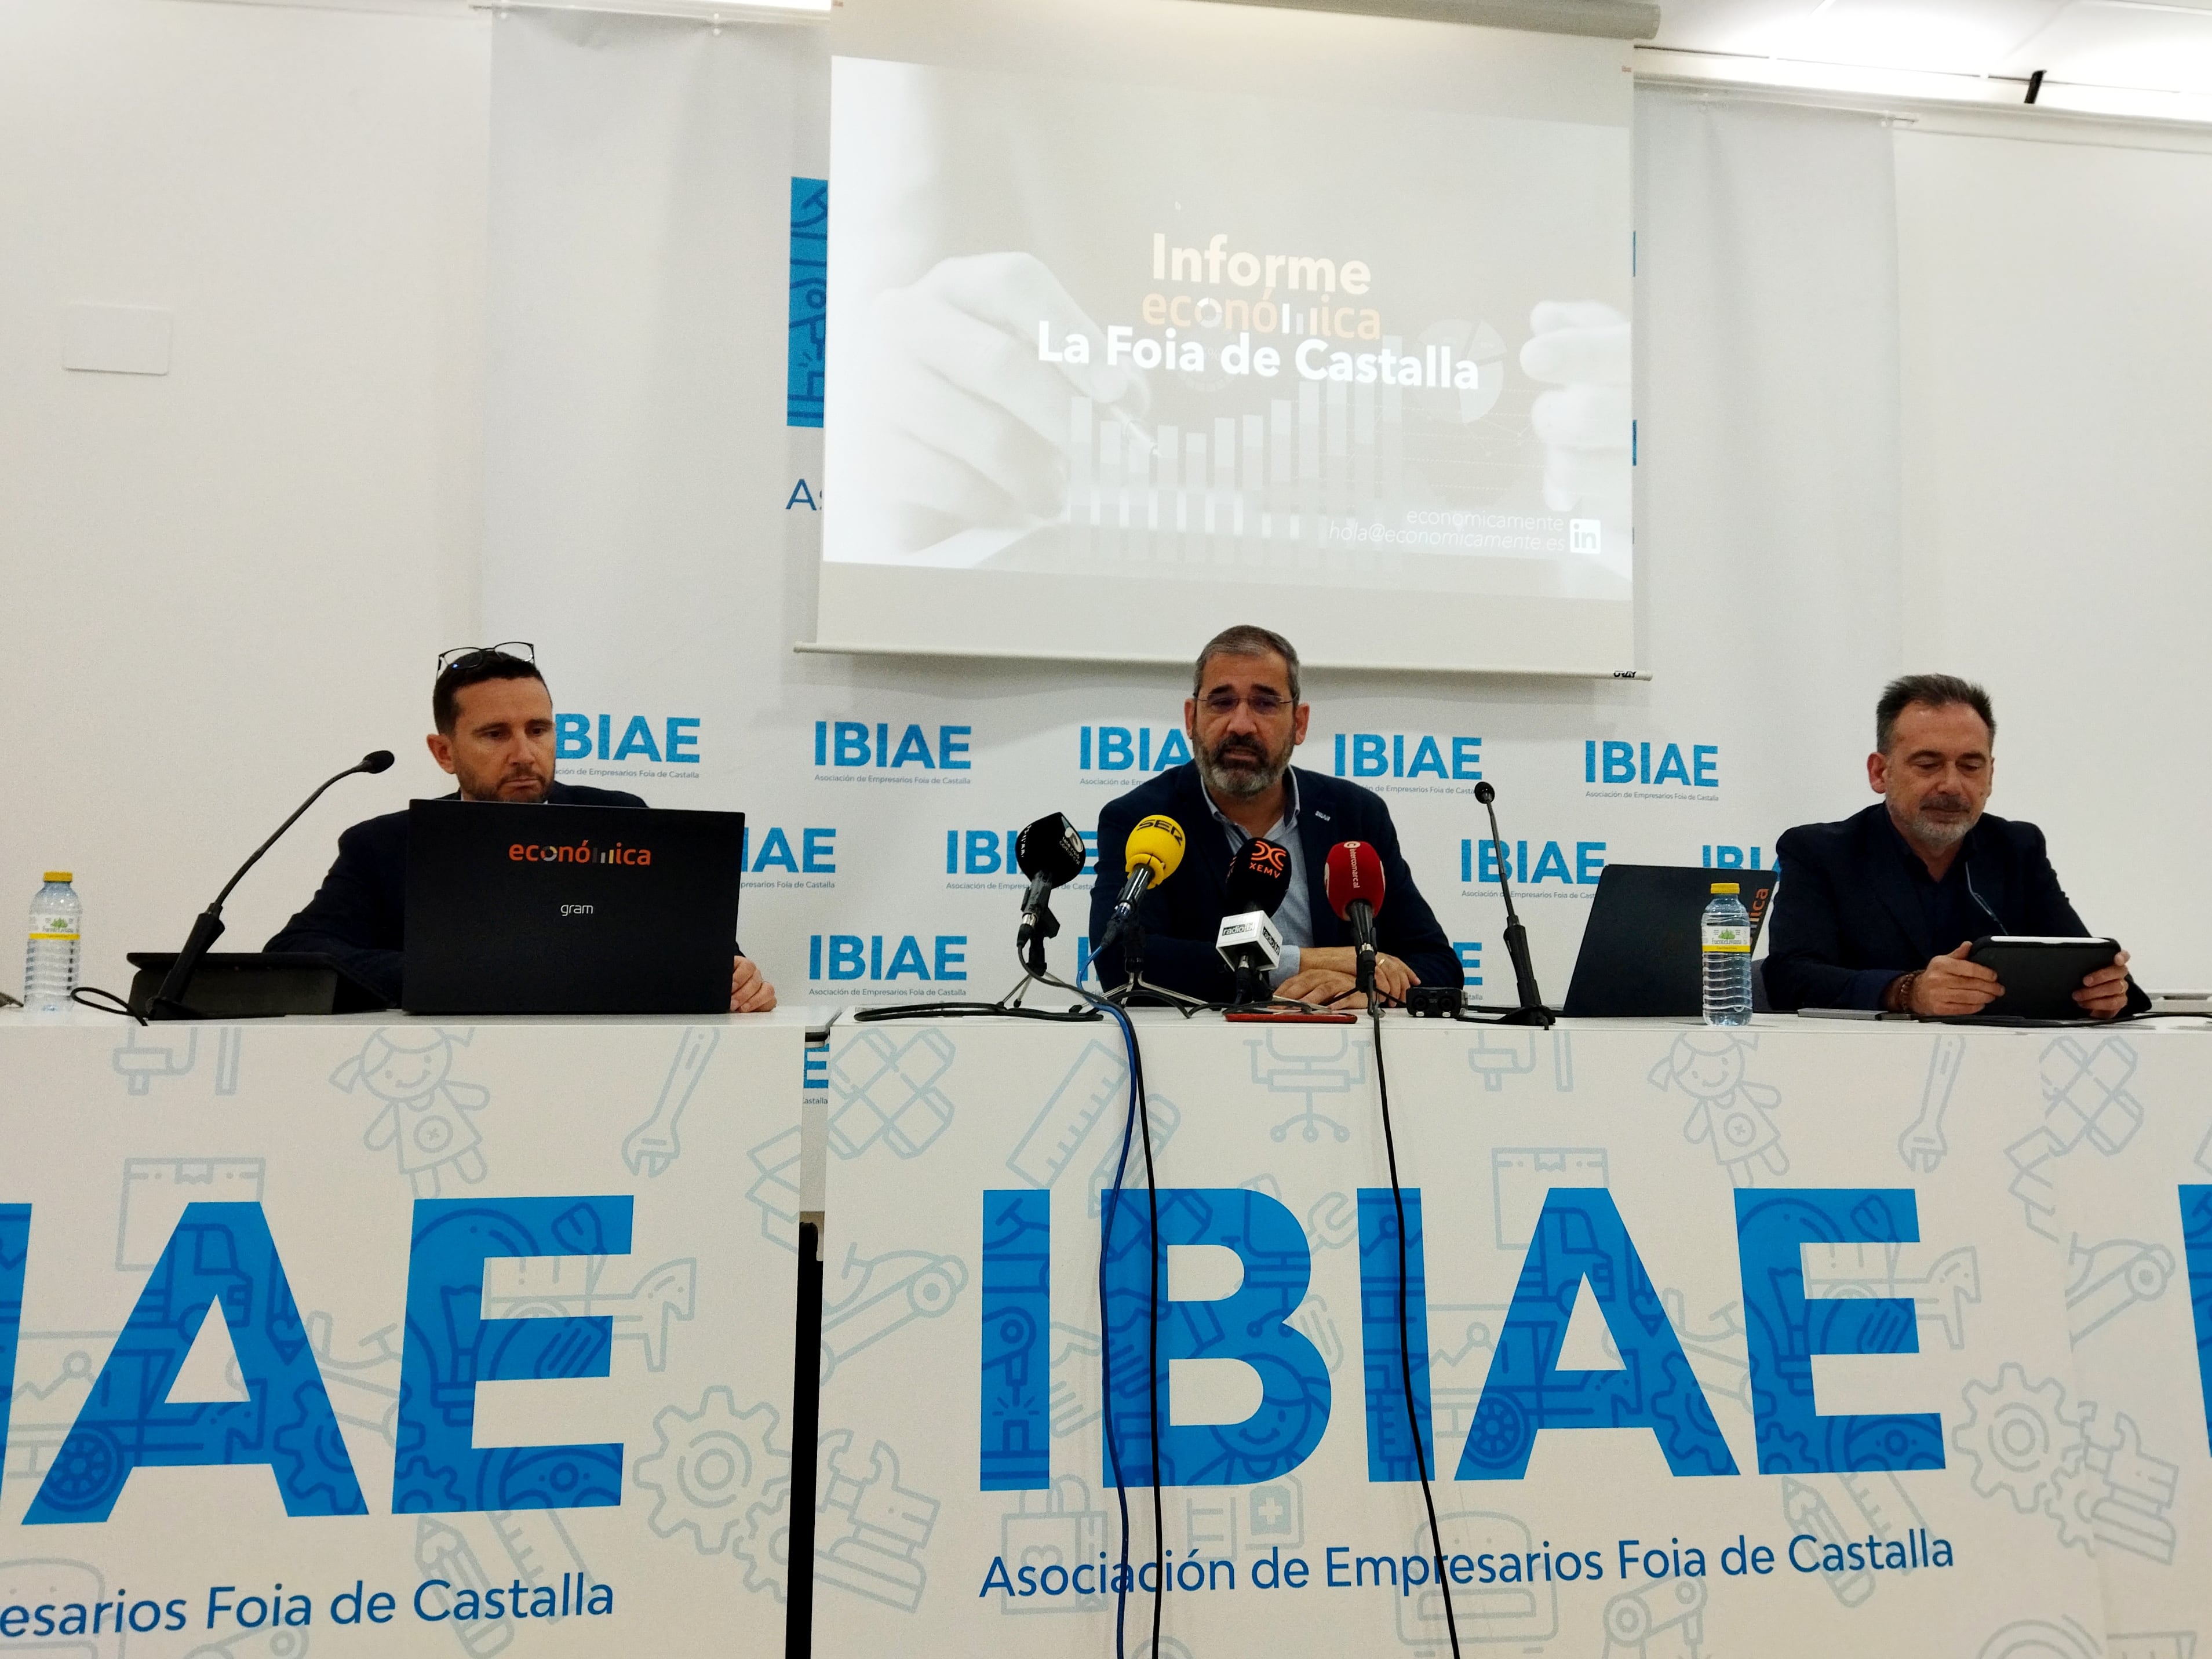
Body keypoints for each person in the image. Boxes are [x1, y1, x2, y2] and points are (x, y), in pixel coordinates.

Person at [268, 646, 775, 1012]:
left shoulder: (620, 820)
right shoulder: (382, 845)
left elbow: (695, 952)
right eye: (495, 734)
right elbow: (298, 953)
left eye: (538, 730)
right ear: (444, 752)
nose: (524, 754)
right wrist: (436, 974)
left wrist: (736, 975)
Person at [1087, 625, 1461, 1007]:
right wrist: (1305, 964)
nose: (1240, 725)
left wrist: (1367, 982)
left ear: (1299, 723)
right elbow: (1120, 963)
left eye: (1265, 704)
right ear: (1190, 717)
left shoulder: (1355, 814)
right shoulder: (1142, 818)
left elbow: (1438, 966)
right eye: (1221, 702)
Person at [1765, 673, 2140, 1018]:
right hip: (1860, 1068)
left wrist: (2106, 992)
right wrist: (1906, 991)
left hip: (2001, 1069)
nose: (1951, 785)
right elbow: (1788, 979)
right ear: (1880, 772)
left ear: (1990, 774)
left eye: (1970, 766)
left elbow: (2086, 964)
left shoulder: (2016, 848)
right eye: (1927, 764)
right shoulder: (1819, 852)